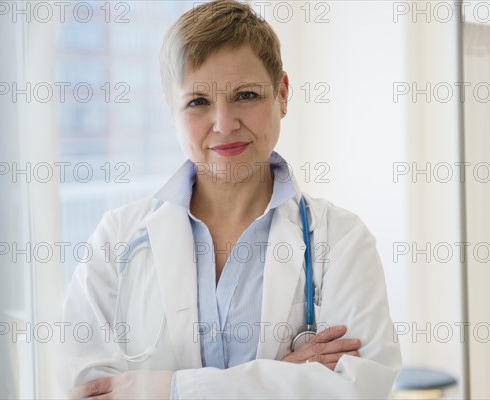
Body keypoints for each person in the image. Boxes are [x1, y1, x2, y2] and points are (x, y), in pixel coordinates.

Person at [60, 0, 401, 398]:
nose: (224, 124)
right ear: (172, 108)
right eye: (199, 102)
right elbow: (87, 390)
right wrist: (282, 376)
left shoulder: (341, 240)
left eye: (245, 95)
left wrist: (166, 389)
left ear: (283, 94)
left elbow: (357, 389)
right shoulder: (116, 239)